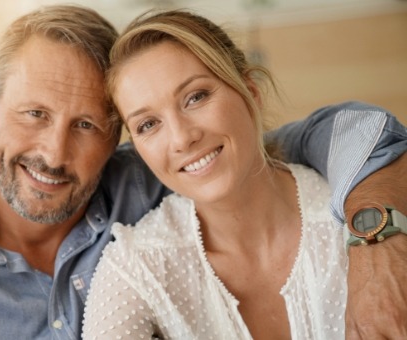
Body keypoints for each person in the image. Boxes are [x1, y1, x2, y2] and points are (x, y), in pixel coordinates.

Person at [0, 4, 405, 340]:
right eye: (34, 114)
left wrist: (377, 240)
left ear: (119, 137)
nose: (55, 153)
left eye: (87, 125)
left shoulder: (155, 172)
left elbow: (345, 135)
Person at [82, 8, 407, 340]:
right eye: (148, 124)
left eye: (196, 97)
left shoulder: (359, 218)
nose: (182, 138)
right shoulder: (136, 266)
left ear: (251, 92)